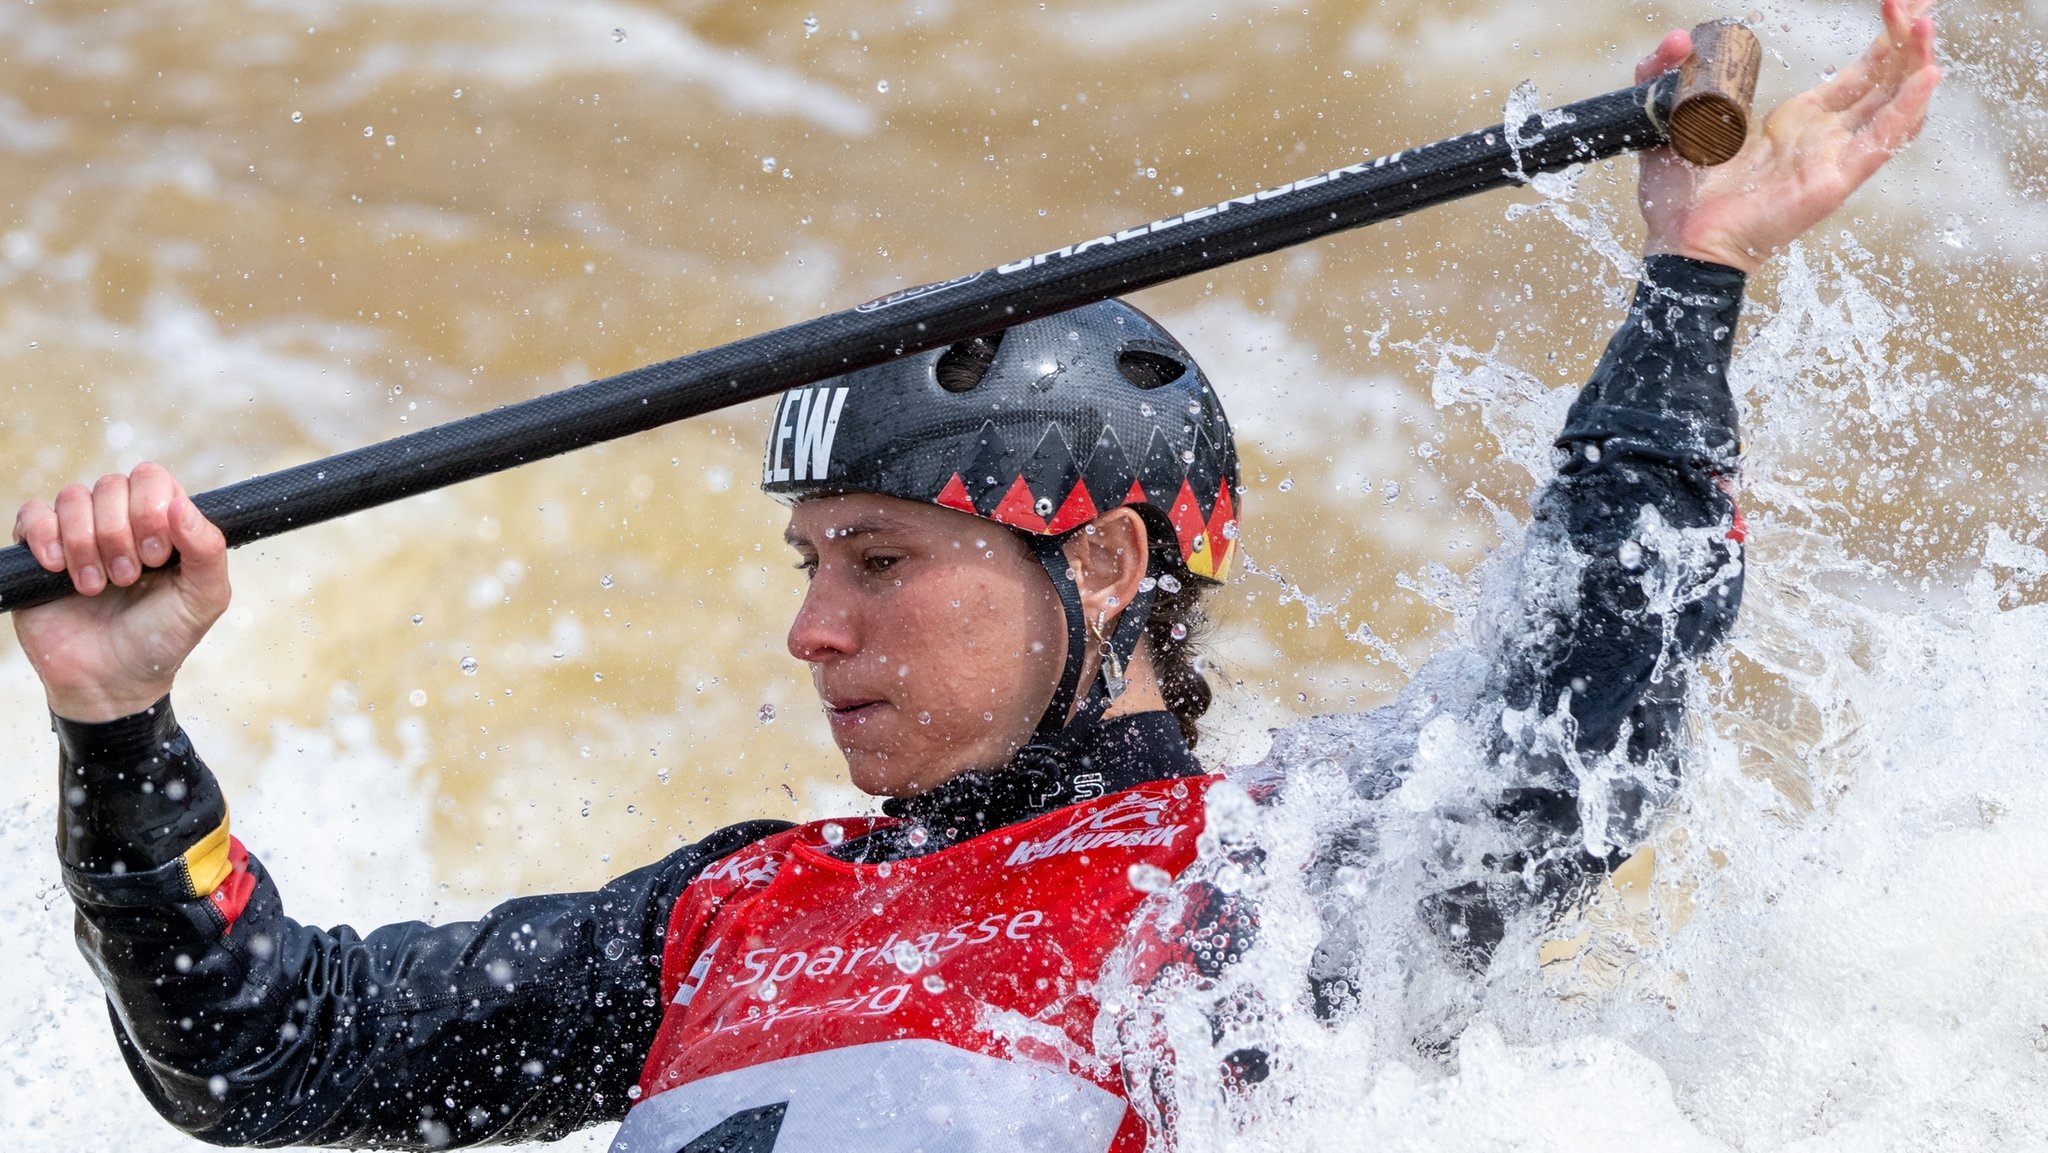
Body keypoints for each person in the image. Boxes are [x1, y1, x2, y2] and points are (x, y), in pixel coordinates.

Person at [12, 7, 1938, 1150]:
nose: (811, 625)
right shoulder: (719, 917)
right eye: (806, 560)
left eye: (880, 560)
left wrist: (1691, 289)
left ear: (1102, 562)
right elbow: (271, 1054)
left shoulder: (1272, 891)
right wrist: (123, 720)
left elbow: (1577, 719)